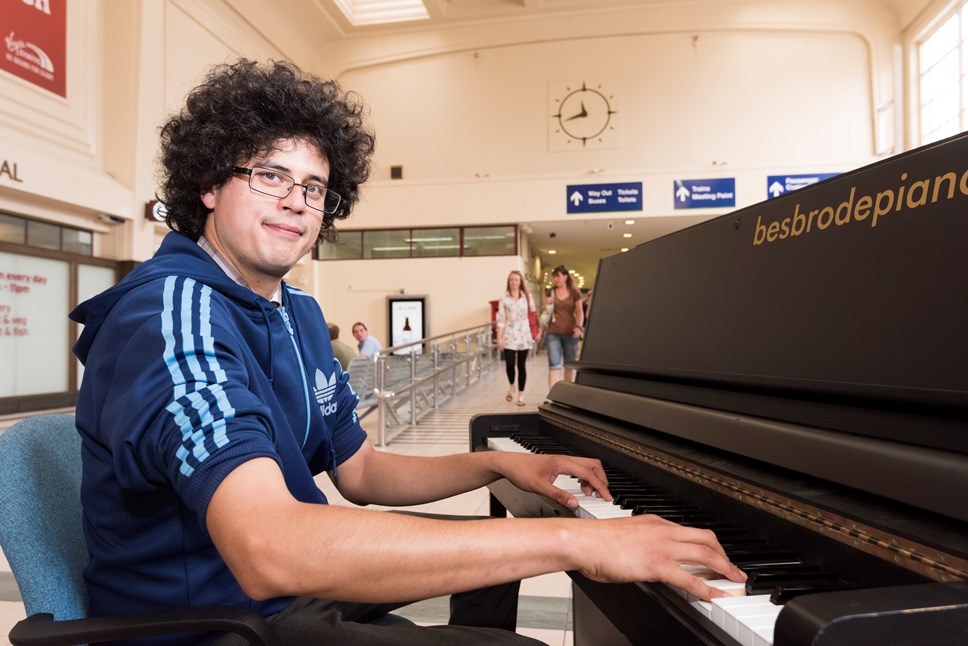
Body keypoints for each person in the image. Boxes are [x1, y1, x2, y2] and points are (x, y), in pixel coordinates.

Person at [69, 59, 744, 646]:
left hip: (278, 597)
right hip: (210, 624)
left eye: (313, 188)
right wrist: (579, 541)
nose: (296, 203)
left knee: (507, 553)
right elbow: (268, 548)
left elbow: (360, 472)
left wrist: (498, 467)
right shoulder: (169, 315)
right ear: (209, 187)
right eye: (270, 175)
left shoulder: (295, 312)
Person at [495, 270, 537, 406]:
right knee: (510, 365)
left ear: (520, 282)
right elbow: (501, 320)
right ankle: (512, 385)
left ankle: (521, 395)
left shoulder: (527, 297)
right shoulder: (504, 299)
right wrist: (499, 338)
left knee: (521, 366)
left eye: (516, 280)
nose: (514, 282)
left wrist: (536, 332)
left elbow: (533, 316)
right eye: (511, 279)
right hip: (509, 336)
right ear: (509, 282)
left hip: (524, 336)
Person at [544, 265, 585, 387]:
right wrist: (546, 303)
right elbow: (545, 311)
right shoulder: (550, 291)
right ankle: (551, 396)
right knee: (554, 364)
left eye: (558, 276)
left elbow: (579, 311)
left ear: (565, 276)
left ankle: (566, 395)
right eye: (554, 277)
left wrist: (578, 327)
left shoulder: (574, 293)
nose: (556, 279)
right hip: (553, 332)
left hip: (570, 333)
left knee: (569, 365)